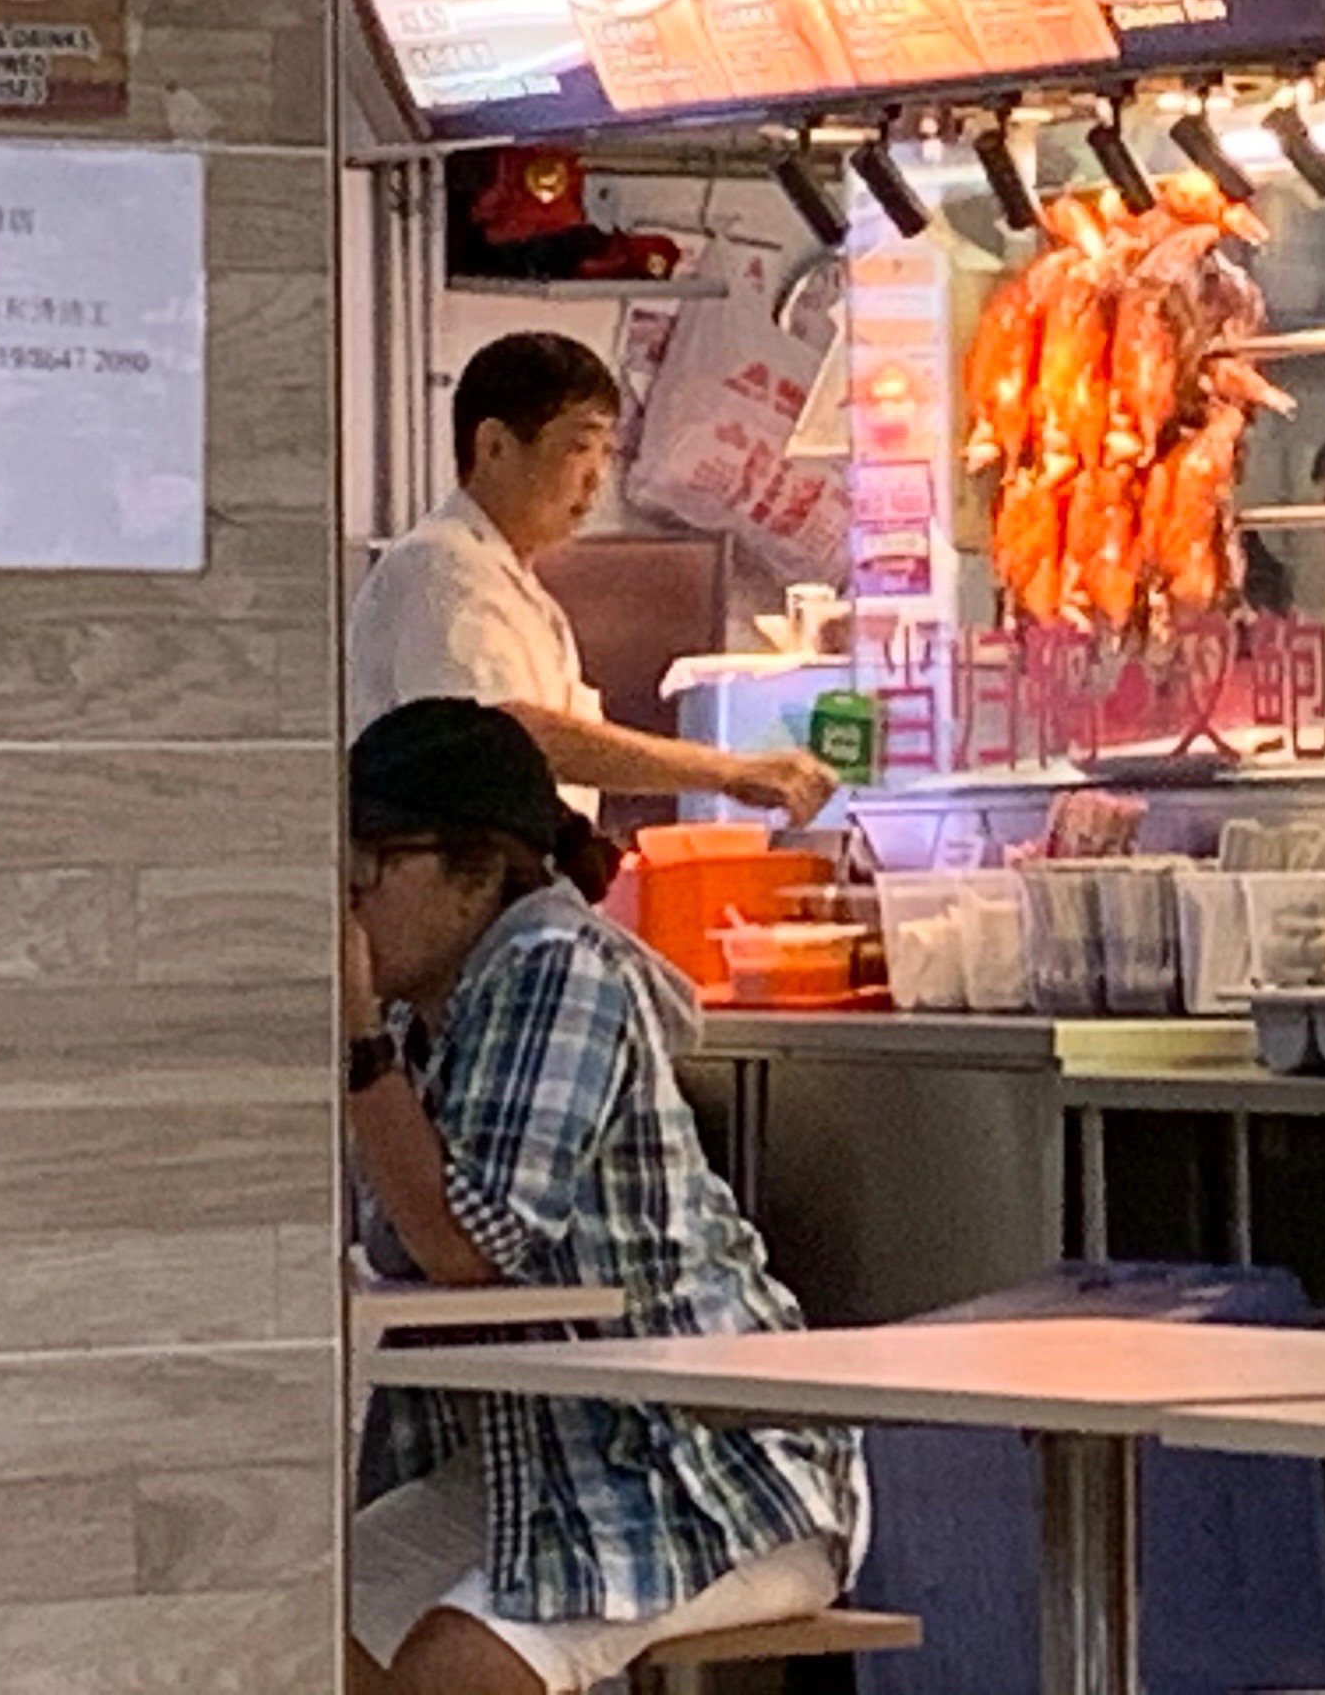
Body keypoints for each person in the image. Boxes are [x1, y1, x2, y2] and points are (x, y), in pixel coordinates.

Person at [346, 699, 869, 1695]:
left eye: (370, 866)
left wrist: (356, 1040)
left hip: (702, 1462)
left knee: (456, 1670)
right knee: (278, 1625)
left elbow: (467, 1245)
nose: (349, 904)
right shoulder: (428, 1015)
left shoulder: (558, 967)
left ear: (477, 873)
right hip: (528, 1460)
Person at [352, 332, 836, 827]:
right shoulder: (442, 569)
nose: (596, 476)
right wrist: (726, 772)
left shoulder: (516, 586)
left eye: (607, 452)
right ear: (494, 446)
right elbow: (511, 735)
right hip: (454, 871)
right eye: (579, 446)